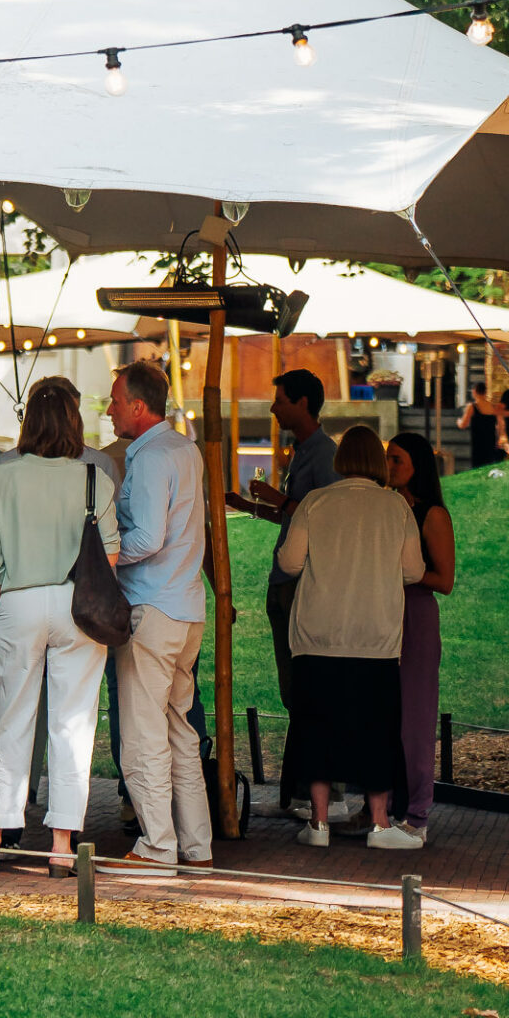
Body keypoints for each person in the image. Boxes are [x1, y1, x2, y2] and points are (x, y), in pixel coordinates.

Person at [0, 377, 120, 875]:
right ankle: (62, 842)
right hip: (77, 603)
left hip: (16, 600)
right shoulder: (93, 478)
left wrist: (6, 605)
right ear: (74, 422)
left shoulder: (1, 476)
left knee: (7, 720)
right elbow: (112, 555)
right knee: (72, 723)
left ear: (28, 423)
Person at [274, 423, 425, 851]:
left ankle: (319, 823)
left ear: (342, 461)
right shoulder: (395, 507)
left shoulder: (316, 502)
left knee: (317, 728)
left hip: (317, 634)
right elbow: (413, 571)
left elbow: (288, 562)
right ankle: (379, 823)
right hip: (374, 637)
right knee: (377, 731)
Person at [99, 358, 212, 882]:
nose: (110, 409)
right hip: (188, 608)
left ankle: (156, 845)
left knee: (143, 735)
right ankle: (197, 844)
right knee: (181, 732)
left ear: (139, 408)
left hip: (151, 606)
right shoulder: (185, 450)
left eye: (116, 401)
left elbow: (145, 538)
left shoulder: (145, 459)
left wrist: (101, 555)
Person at [226, 367, 338, 812]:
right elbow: (295, 518)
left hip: (301, 587)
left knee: (304, 691)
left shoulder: (324, 454)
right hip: (284, 585)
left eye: (280, 400)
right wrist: (251, 506)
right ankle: (299, 789)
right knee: (293, 692)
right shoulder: (304, 452)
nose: (272, 408)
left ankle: (319, 793)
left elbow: (322, 517)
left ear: (303, 403)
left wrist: (277, 499)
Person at [386, 432, 456, 846]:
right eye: (387, 459)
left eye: (397, 460)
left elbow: (444, 580)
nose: (389, 466)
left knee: (414, 714)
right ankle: (384, 803)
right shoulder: (385, 505)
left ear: (416, 466)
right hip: (383, 611)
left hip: (415, 614)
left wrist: (404, 572)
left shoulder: (432, 514)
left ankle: (416, 815)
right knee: (384, 712)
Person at [459, 382, 507, 469]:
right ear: (485, 392)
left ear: (474, 392)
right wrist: (500, 438)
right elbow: (500, 424)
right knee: (489, 464)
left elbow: (463, 424)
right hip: (491, 440)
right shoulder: (492, 406)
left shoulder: (472, 407)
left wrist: (458, 421)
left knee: (478, 465)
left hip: (478, 441)